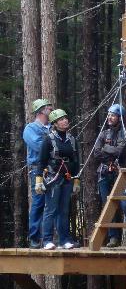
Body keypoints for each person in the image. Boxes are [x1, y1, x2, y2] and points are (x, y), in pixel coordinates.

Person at [36, 109, 80, 250]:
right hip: (54, 178)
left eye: (65, 118)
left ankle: (64, 240)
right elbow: (41, 161)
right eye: (61, 119)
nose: (65, 121)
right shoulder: (49, 139)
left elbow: (76, 161)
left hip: (67, 178)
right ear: (55, 123)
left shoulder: (72, 140)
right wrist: (38, 181)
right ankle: (47, 240)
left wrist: (76, 180)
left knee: (64, 210)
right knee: (50, 209)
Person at [94, 104, 126, 247]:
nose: (109, 117)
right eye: (109, 115)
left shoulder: (124, 133)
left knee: (124, 204)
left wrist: (106, 149)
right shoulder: (103, 134)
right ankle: (113, 237)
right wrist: (110, 152)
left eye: (113, 115)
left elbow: (120, 151)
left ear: (119, 118)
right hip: (104, 173)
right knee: (108, 206)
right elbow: (96, 153)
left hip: (119, 173)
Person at [23, 99, 53, 248]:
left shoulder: (52, 128)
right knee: (39, 203)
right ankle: (34, 238)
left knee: (54, 203)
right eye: (49, 108)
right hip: (38, 170)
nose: (51, 110)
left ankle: (50, 238)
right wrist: (53, 144)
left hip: (54, 169)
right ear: (41, 111)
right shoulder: (30, 129)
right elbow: (39, 146)